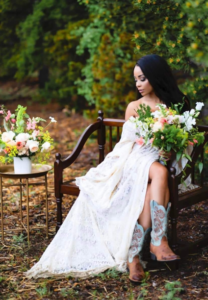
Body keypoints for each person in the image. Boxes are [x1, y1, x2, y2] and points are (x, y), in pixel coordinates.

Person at [25, 54, 190, 283]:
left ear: (155, 76)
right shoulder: (134, 107)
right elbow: (126, 146)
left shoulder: (174, 107)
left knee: (153, 186)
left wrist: (170, 150)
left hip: (159, 162)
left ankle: (133, 254)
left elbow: (183, 142)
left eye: (142, 78)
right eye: (135, 80)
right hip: (135, 159)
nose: (138, 84)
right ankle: (158, 241)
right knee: (159, 174)